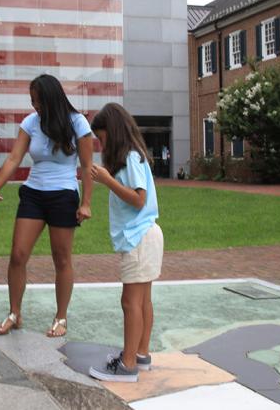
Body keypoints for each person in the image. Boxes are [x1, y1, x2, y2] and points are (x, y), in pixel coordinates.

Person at [0, 74, 93, 338]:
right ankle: (14, 313)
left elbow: (88, 166)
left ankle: (61, 317)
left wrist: (86, 202)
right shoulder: (31, 122)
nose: (35, 106)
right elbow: (14, 158)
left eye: (38, 101)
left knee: (61, 258)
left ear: (51, 99)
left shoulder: (78, 122)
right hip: (33, 192)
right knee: (18, 255)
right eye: (32, 101)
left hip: (64, 194)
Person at [86, 103, 163, 383]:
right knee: (142, 301)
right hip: (145, 236)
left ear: (113, 132)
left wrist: (107, 180)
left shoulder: (130, 156)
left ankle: (127, 364)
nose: (100, 143)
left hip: (139, 237)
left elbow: (138, 199)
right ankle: (140, 354)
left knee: (130, 302)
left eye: (102, 137)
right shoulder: (134, 156)